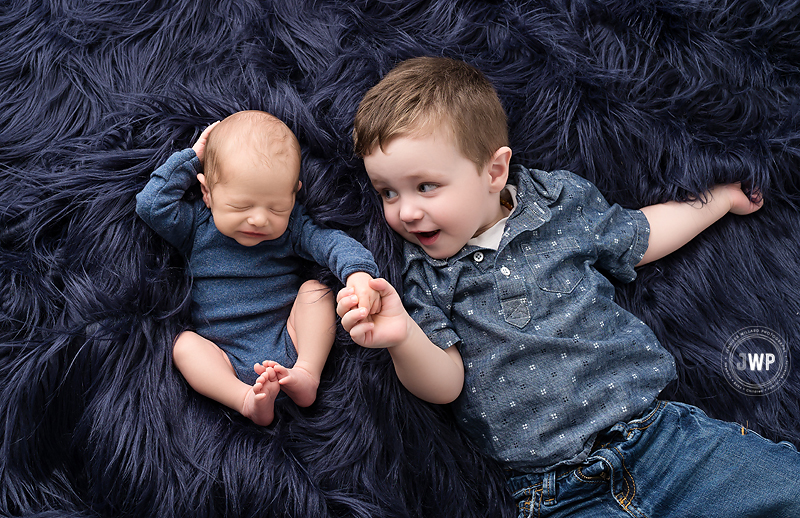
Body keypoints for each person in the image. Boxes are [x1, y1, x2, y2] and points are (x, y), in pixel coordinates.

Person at [337, 56, 800, 516]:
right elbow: (446, 383)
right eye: (388, 193)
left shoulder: (556, 204)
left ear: (494, 172)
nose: (406, 212)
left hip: (664, 441)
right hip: (555, 492)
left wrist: (717, 201)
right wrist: (401, 338)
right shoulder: (425, 274)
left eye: (426, 186)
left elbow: (638, 237)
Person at [136, 110, 380, 426]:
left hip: (289, 339)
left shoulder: (293, 228)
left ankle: (307, 373)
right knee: (183, 346)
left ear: (294, 196)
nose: (259, 219)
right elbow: (151, 205)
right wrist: (193, 158)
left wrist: (358, 273)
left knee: (315, 291)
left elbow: (332, 242)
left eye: (276, 207)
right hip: (222, 357)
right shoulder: (195, 225)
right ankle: (244, 399)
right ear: (207, 193)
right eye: (240, 206)